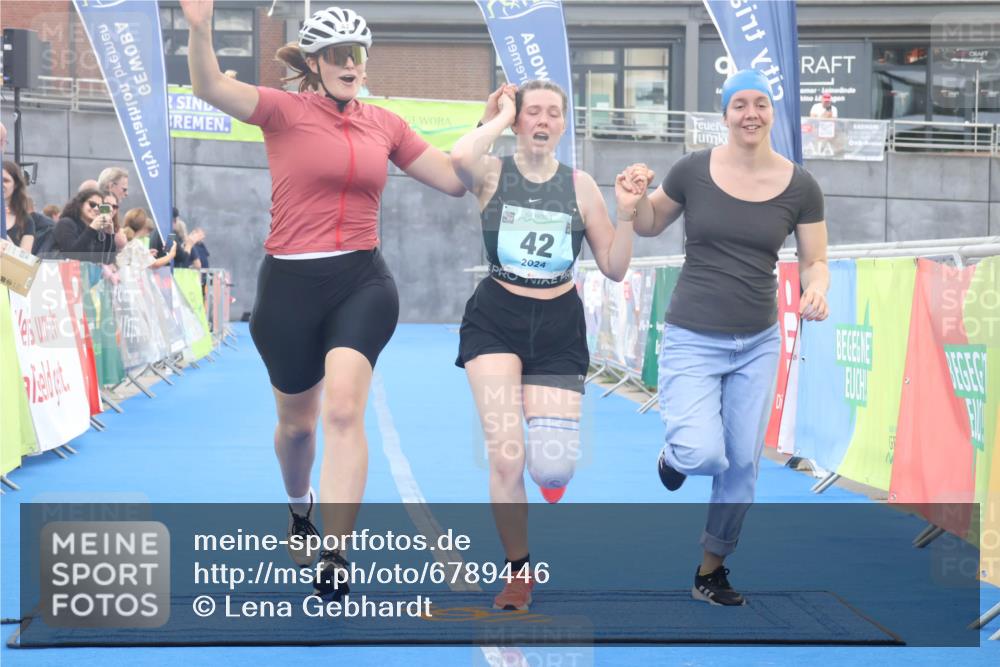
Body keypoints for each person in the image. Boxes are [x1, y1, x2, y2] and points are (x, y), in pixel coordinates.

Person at [180, 0, 466, 601]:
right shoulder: (282, 110)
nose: (349, 64)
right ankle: (298, 506)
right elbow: (207, 85)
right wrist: (201, 26)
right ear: (314, 62)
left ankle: (334, 552)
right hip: (288, 287)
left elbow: (452, 177)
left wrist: (495, 123)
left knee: (342, 412)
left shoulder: (385, 123)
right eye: (337, 54)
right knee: (297, 428)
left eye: (357, 54)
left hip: (361, 282)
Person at [623, 69, 830, 606]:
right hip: (693, 334)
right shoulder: (694, 169)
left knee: (741, 465)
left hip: (758, 340)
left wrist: (818, 289)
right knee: (701, 454)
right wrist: (632, 200)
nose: (751, 113)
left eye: (761, 104)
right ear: (724, 115)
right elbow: (648, 224)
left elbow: (816, 260)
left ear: (773, 114)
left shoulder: (801, 185)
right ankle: (674, 457)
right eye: (740, 104)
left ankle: (710, 571)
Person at [450, 80, 643, 611]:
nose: (541, 120)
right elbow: (460, 154)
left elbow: (615, 265)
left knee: (552, 470)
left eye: (552, 113)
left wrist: (626, 213)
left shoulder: (580, 187)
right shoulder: (492, 172)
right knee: (506, 455)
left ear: (562, 125)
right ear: (517, 120)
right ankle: (518, 572)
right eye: (531, 111)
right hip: (495, 320)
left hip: (558, 326)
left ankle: (549, 472)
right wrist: (495, 114)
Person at [53, 188, 118, 263]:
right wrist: (92, 229)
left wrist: (109, 234)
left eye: (100, 206)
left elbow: (107, 261)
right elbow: (72, 255)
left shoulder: (96, 230)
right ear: (80, 204)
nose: (96, 209)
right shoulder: (65, 223)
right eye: (92, 204)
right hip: (65, 272)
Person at [2, 161, 36, 253]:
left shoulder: (26, 220)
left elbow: (24, 259)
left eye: (5, 180)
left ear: (16, 184)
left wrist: (7, 245)